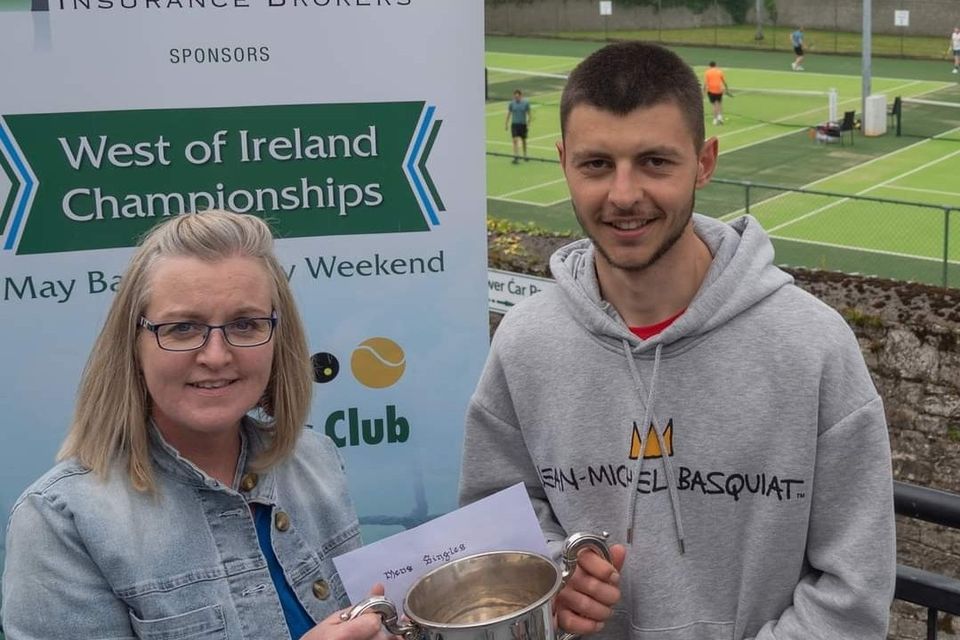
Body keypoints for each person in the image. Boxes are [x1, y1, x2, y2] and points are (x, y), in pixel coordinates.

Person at [459, 41, 896, 639]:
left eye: (655, 162)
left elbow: (854, 592)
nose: (623, 194)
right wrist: (551, 577)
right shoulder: (525, 342)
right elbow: (496, 524)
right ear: (563, 162)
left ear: (705, 161)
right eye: (596, 165)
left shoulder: (812, 346)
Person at [1, 210, 389, 640]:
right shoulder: (63, 522)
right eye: (183, 327)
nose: (217, 355)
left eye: (245, 324)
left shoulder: (314, 459)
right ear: (133, 342)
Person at [505, 88, 532, 164]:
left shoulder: (526, 103)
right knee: (515, 140)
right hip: (514, 125)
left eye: (517, 96)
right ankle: (516, 156)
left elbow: (529, 114)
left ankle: (525, 155)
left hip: (523, 124)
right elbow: (509, 113)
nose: (516, 98)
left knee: (523, 140)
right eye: (515, 97)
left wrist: (528, 123)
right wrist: (506, 123)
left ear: (520, 96)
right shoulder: (512, 104)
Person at [703, 60, 728, 125]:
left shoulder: (707, 72)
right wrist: (726, 88)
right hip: (719, 90)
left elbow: (705, 83)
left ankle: (715, 119)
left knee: (714, 105)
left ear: (709, 66)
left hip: (711, 90)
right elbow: (724, 81)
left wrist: (704, 91)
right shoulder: (720, 71)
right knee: (719, 103)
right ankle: (720, 117)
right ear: (715, 65)